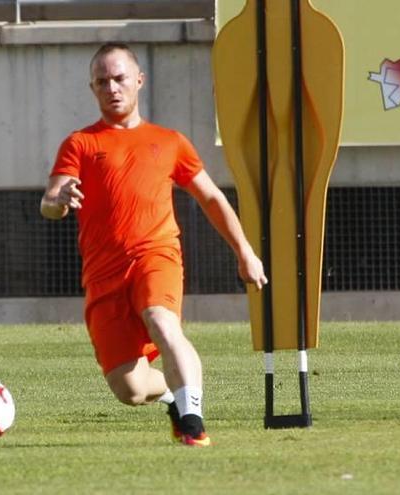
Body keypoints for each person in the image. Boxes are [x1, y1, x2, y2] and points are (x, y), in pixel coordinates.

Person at [40, 43, 267, 447]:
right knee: (129, 389)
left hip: (156, 255)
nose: (112, 87)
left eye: (119, 78)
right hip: (103, 274)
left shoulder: (169, 141)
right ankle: (173, 395)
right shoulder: (80, 144)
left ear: (139, 81)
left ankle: (192, 420)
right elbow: (51, 201)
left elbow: (212, 198)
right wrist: (56, 202)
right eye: (102, 81)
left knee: (161, 320)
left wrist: (245, 252)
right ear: (92, 88)